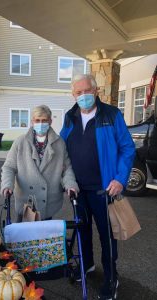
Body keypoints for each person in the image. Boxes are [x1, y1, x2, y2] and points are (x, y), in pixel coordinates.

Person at [60, 74, 135, 300]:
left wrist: (120, 179)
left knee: (107, 236)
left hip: (104, 190)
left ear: (96, 91)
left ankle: (111, 277)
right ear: (73, 95)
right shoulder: (70, 116)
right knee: (82, 231)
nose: (83, 96)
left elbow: (127, 148)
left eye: (87, 91)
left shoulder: (111, 115)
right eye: (78, 93)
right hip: (78, 190)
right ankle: (88, 265)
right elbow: (62, 150)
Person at [1, 105, 79, 221]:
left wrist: (71, 185)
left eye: (44, 120)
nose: (40, 123)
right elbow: (9, 167)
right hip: (26, 200)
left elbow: (66, 168)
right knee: (22, 236)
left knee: (44, 236)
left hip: (48, 200)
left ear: (50, 121)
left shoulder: (59, 143)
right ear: (32, 121)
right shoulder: (20, 142)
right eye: (37, 120)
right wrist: (7, 185)